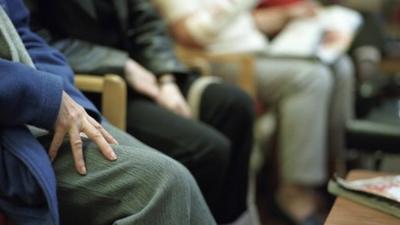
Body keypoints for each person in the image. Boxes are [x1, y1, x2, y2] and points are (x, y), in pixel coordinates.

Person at [27, 0, 255, 224]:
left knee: (235, 105)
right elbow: (35, 40)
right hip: (98, 82)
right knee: (207, 149)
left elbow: (148, 22)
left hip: (145, 70)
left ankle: (228, 219)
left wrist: (166, 77)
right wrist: (122, 65)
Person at [153, 0, 355, 224]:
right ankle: (294, 192)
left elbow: (245, 24)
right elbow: (192, 35)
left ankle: (338, 168)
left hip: (258, 51)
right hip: (221, 59)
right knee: (311, 78)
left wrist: (288, 15)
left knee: (341, 65)